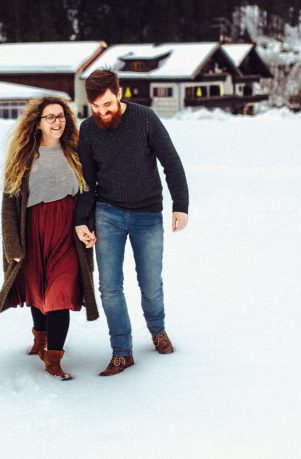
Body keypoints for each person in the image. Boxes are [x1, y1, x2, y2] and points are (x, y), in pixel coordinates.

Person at [73, 69, 189, 377]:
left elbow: (171, 161)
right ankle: (122, 351)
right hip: (108, 213)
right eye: (96, 107)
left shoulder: (145, 119)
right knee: (109, 287)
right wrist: (82, 220)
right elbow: (87, 179)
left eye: (107, 104)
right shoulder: (88, 129)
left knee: (150, 282)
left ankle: (157, 330)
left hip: (147, 214)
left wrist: (181, 205)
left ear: (118, 92)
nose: (102, 112)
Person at [0, 96, 99, 380]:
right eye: (50, 117)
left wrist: (88, 227)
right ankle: (40, 336)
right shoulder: (24, 157)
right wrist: (12, 243)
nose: (57, 121)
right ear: (37, 123)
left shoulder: (76, 152)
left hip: (67, 234)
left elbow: (88, 196)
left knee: (59, 294)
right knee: (38, 289)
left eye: (61, 116)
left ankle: (54, 357)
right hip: (32, 232)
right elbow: (9, 204)